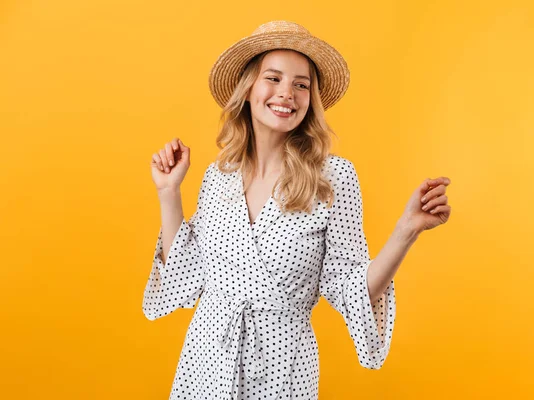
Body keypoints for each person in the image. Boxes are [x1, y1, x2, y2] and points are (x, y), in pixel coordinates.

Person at [143, 20, 452, 400]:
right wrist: (169, 192)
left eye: (301, 84)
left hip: (282, 369)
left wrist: (407, 229)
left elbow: (351, 287)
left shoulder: (333, 177)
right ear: (249, 88)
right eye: (273, 78)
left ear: (311, 98)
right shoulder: (218, 175)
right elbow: (185, 275)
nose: (287, 93)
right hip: (205, 362)